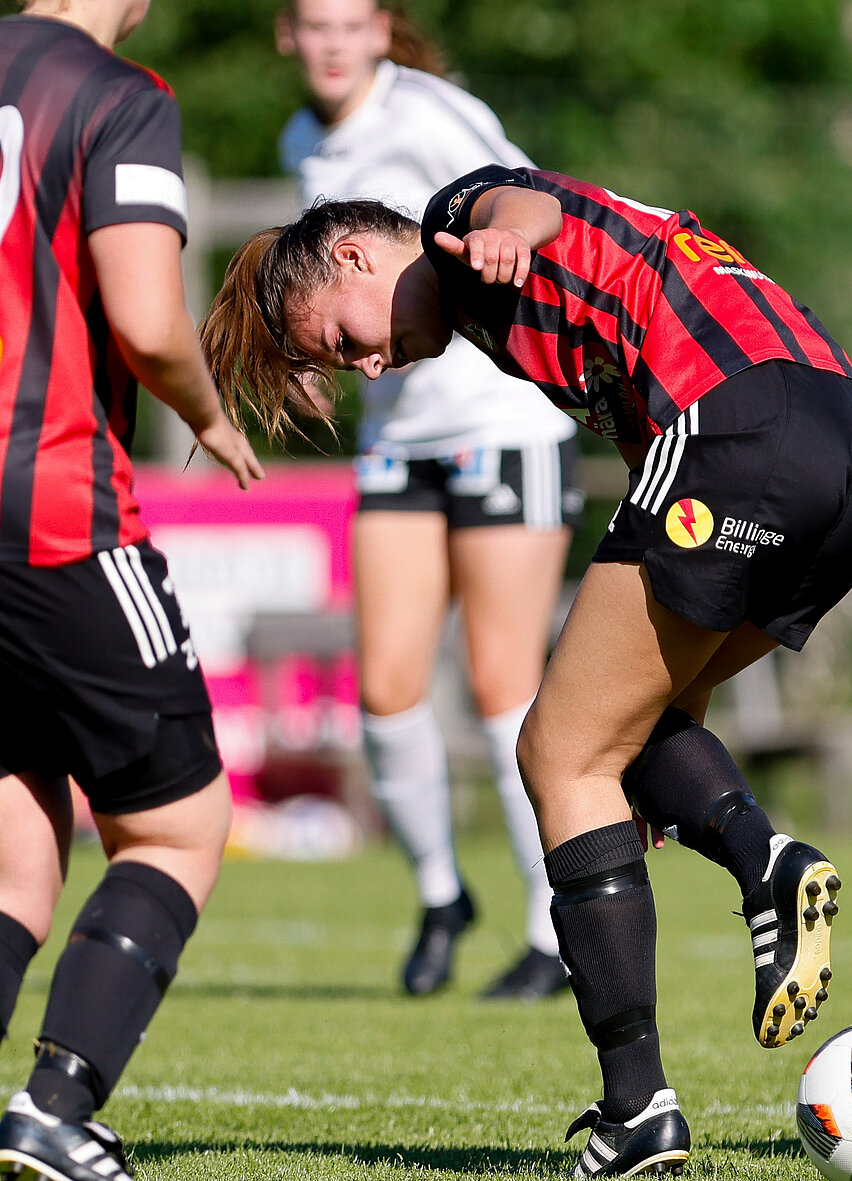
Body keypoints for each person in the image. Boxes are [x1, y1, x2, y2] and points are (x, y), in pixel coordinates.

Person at [201, 164, 852, 1177]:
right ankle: (765, 867)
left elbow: (522, 207)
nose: (371, 370)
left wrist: (506, 238)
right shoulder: (505, 333)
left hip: (737, 424)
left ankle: (641, 1102)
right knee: (625, 735)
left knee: (555, 751)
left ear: (357, 255)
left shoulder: (455, 230)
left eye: (348, 341)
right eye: (347, 367)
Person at [0, 0, 264, 1181]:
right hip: (52, 506)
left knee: (14, 840)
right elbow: (151, 320)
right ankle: (58, 1107)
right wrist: (210, 413)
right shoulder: (115, 94)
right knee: (175, 827)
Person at [277, 0, 583, 1000]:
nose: (330, 42)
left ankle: (552, 923)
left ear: (381, 32)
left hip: (498, 419)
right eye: (311, 25)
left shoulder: (432, 114)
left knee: (504, 685)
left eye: (349, 23)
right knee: (387, 686)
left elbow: (524, 195)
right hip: (396, 438)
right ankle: (442, 893)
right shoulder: (303, 143)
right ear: (288, 37)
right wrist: (319, 353)